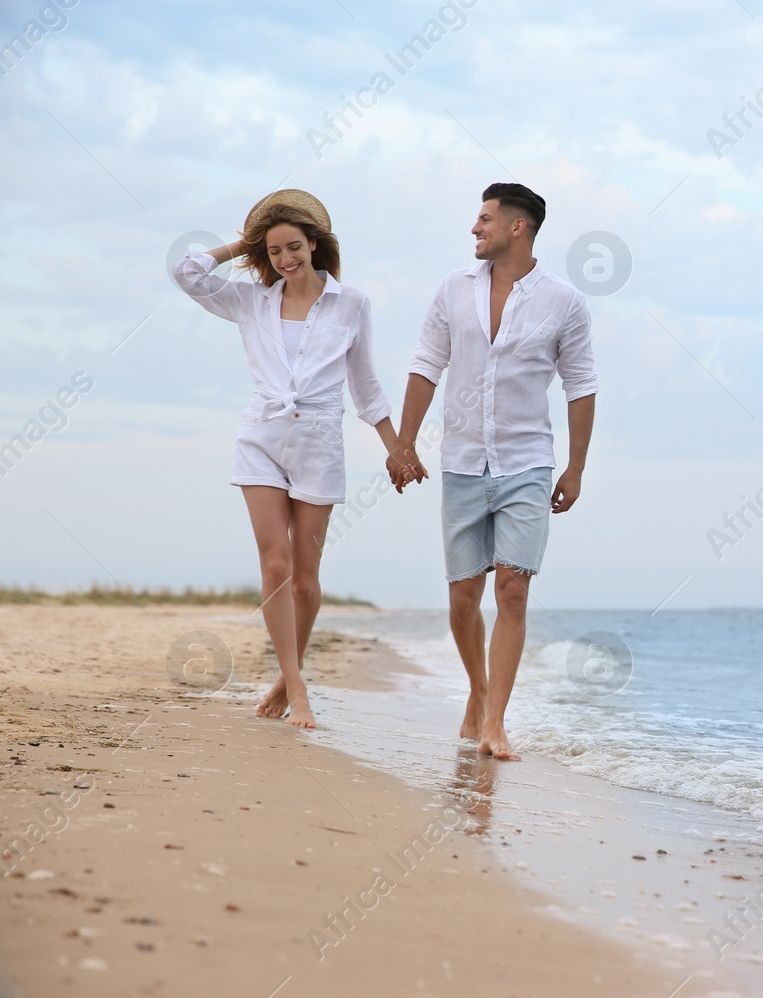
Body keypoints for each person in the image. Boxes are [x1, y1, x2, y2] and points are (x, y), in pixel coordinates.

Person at [172, 190, 403, 730]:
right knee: (273, 565)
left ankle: (286, 676)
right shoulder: (250, 300)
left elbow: (365, 385)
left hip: (319, 440)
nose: (284, 260)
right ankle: (297, 686)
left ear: (315, 244)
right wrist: (244, 244)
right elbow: (187, 272)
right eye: (273, 251)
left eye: (293, 246)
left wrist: (396, 447)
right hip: (262, 437)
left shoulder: (352, 304)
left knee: (304, 578)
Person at [389, 182, 597, 761]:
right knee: (462, 598)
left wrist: (576, 468)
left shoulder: (564, 302)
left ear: (517, 227)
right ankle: (477, 691)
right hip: (460, 461)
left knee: (513, 589)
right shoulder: (453, 290)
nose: (474, 229)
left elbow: (581, 386)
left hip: (528, 461)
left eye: (484, 219)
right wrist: (405, 443)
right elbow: (426, 364)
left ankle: (495, 722)